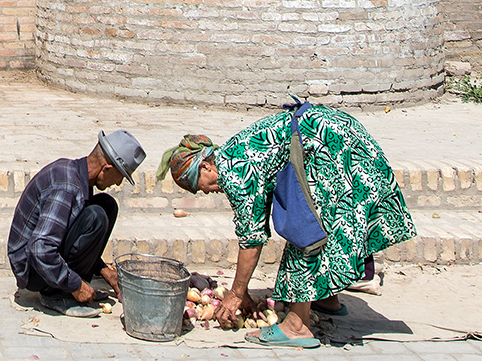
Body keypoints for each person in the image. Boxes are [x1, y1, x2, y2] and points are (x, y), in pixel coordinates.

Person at [160, 106, 416, 349]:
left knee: (305, 231)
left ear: (206, 165)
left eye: (197, 184)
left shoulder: (234, 172)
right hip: (339, 137)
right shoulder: (232, 153)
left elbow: (252, 237)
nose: (203, 191)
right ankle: (325, 298)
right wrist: (243, 290)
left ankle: (296, 326)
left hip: (333, 149)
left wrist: (237, 293)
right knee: (320, 226)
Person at [7, 129, 146, 316]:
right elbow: (41, 249)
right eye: (121, 176)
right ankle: (56, 293)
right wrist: (75, 285)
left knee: (107, 205)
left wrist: (103, 270)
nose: (118, 183)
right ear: (107, 169)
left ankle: (64, 285)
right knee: (96, 217)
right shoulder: (67, 186)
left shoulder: (78, 175)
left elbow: (67, 232)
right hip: (32, 270)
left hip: (41, 260)